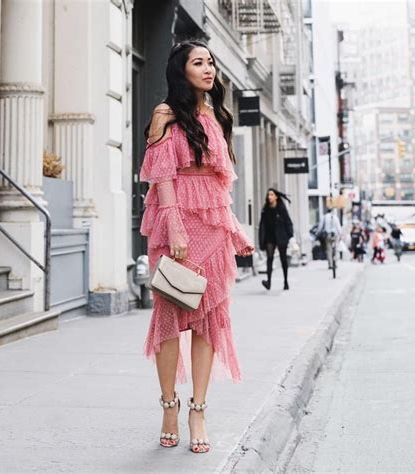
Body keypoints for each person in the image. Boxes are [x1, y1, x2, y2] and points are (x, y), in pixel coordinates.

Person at [139, 40, 254, 454]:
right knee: (170, 317)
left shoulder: (217, 116)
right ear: (180, 69)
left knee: (209, 322)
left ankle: (198, 409)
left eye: (210, 62)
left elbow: (221, 183)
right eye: (198, 62)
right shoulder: (166, 115)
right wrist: (175, 231)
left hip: (213, 228)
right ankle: (169, 405)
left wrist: (235, 229)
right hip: (177, 226)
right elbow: (162, 177)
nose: (208, 69)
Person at [258, 189, 294, 290]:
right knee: (270, 258)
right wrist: (261, 238)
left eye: (272, 194)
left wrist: (290, 235)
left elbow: (288, 221)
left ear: (276, 197)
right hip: (270, 237)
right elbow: (262, 225)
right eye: (268, 194)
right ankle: (268, 282)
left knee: (283, 259)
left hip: (281, 236)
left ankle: (286, 282)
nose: (269, 196)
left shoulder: (281, 208)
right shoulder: (265, 209)